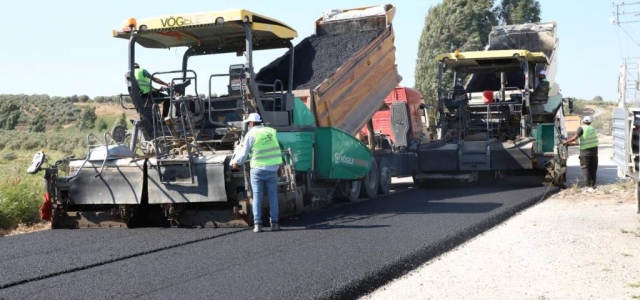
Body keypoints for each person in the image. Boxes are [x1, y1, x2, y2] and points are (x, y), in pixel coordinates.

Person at [230, 113, 283, 232]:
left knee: (257, 197)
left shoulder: (251, 134)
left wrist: (236, 163)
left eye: (249, 123)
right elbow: (275, 149)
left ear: (252, 123)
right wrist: (279, 165)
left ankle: (257, 225)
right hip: (272, 169)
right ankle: (275, 224)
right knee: (273, 197)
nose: (249, 125)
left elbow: (244, 153)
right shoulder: (271, 131)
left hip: (257, 170)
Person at [563, 115, 599, 188]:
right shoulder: (592, 129)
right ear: (590, 122)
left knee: (585, 168)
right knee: (593, 168)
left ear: (583, 121)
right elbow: (586, 140)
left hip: (585, 152)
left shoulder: (581, 128)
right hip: (594, 152)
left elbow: (575, 137)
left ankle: (589, 185)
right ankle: (593, 184)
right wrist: (573, 144)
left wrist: (565, 142)